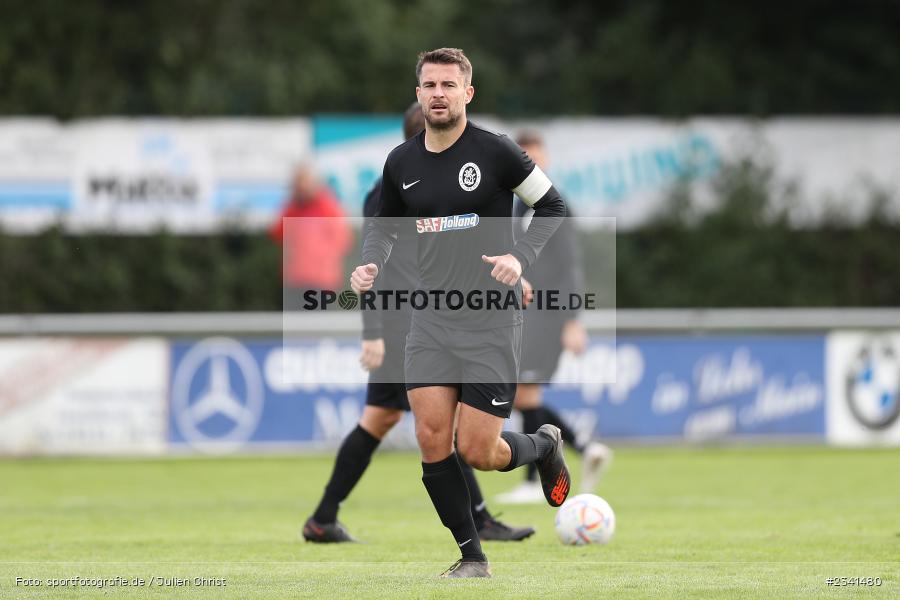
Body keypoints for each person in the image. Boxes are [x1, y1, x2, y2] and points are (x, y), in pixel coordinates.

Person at [350, 48, 570, 578]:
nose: (439, 94)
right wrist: (370, 266)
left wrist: (519, 257)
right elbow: (384, 228)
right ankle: (472, 556)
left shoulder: (497, 153)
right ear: (419, 92)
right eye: (429, 85)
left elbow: (552, 206)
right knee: (430, 437)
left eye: (449, 85)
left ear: (467, 93)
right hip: (430, 318)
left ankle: (542, 445)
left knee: (478, 450)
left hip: (491, 319)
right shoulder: (401, 163)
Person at [303, 102, 535, 545]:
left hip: (430, 316)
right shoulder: (392, 187)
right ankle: (477, 522)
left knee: (403, 421)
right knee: (420, 425)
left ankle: (324, 517)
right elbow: (374, 264)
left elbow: (468, 248)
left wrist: (513, 269)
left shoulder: (449, 188)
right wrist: (373, 333)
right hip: (404, 323)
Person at [496, 131, 612, 505]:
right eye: (523, 158)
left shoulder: (554, 205)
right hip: (522, 312)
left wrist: (573, 319)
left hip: (546, 313)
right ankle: (583, 444)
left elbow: (570, 267)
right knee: (520, 395)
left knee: (525, 392)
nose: (529, 164)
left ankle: (534, 480)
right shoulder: (513, 205)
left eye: (534, 157)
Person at [269, 164, 352, 308]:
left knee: (316, 325)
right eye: (298, 183)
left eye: (304, 183)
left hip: (322, 281)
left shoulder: (328, 206)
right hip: (295, 280)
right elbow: (277, 234)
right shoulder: (292, 208)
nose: (302, 188)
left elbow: (343, 241)